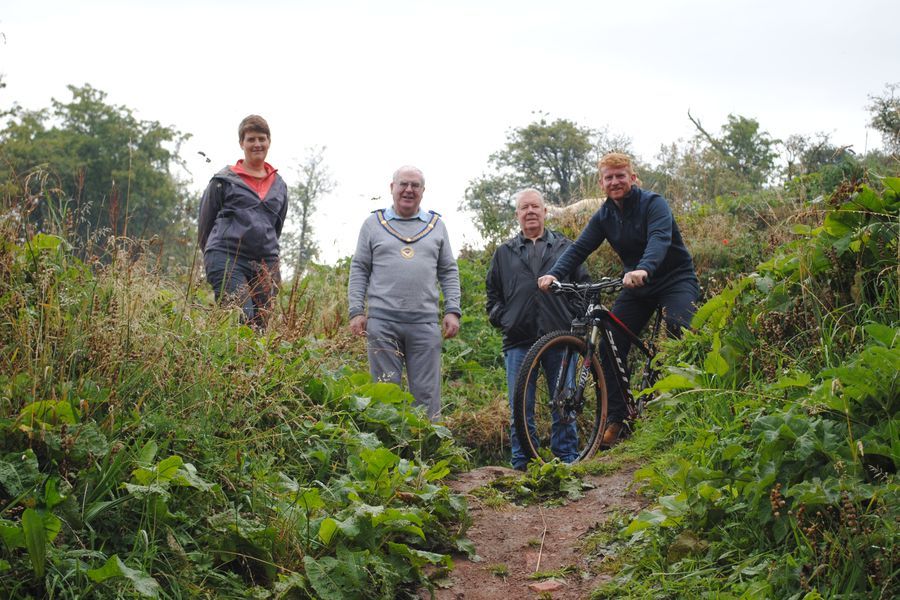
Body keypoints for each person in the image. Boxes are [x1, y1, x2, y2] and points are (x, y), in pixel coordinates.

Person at [538, 152, 699, 447]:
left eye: (620, 175)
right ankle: (617, 419)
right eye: (609, 177)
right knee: (610, 343)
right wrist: (554, 274)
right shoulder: (604, 216)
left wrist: (644, 268)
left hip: (673, 279)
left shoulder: (654, 204)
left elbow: (659, 240)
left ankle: (690, 399)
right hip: (636, 286)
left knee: (681, 325)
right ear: (602, 183)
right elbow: (578, 249)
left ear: (633, 178)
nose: (615, 182)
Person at [486, 188, 590, 470]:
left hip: (560, 339)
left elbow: (583, 289)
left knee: (564, 403)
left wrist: (573, 319)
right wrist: (505, 318)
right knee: (520, 407)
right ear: (517, 215)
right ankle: (523, 463)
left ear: (545, 212)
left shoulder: (567, 248)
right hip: (518, 340)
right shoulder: (503, 253)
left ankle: (567, 460)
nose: (530, 211)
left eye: (535, 206)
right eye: (524, 207)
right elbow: (492, 297)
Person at [347, 165, 461, 421]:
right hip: (383, 325)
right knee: (385, 394)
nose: (409, 190)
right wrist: (356, 311)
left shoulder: (436, 226)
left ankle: (428, 453)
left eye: (415, 185)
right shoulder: (373, 224)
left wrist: (453, 310)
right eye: (403, 184)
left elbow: (449, 271)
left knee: (427, 397)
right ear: (392, 188)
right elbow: (359, 269)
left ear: (423, 191)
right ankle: (391, 453)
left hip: (424, 324)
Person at [198, 115, 288, 329]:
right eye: (251, 139)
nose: (257, 144)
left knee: (262, 325)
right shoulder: (223, 181)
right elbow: (205, 225)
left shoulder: (280, 185)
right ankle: (225, 361)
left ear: (269, 142)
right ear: (242, 143)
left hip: (265, 263)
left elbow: (276, 227)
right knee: (242, 317)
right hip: (227, 257)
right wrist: (213, 258)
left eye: (262, 139)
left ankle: (249, 364)